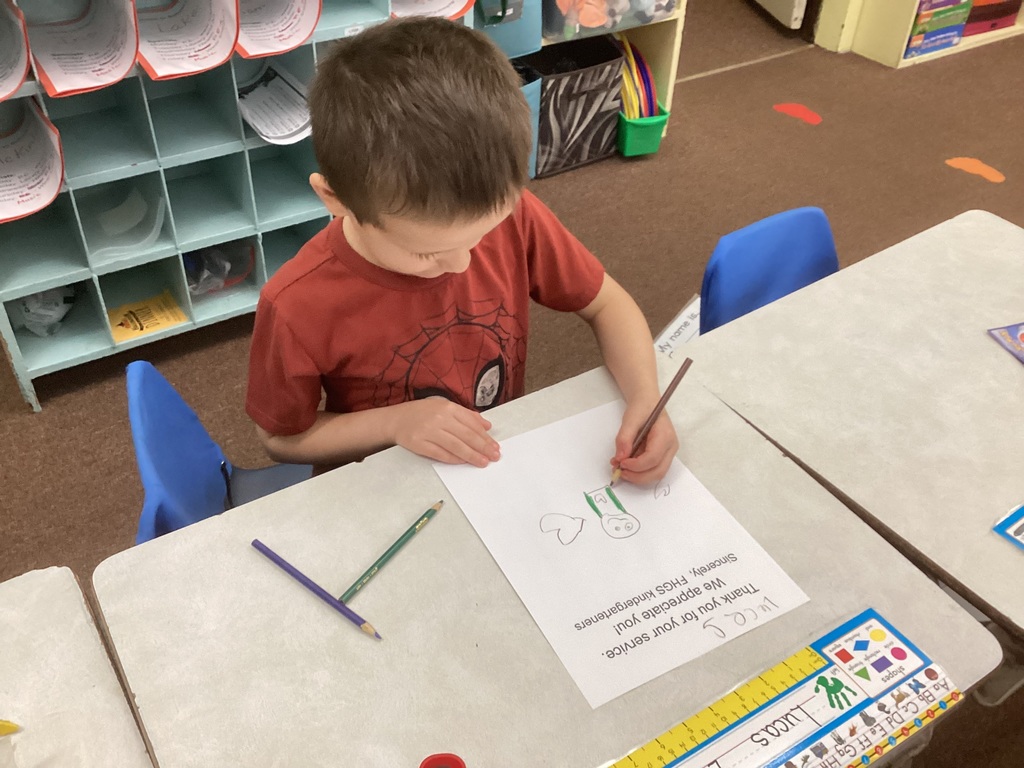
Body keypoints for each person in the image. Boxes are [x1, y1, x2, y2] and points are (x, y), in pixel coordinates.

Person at [245, 17, 677, 484]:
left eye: (479, 238)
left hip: (493, 468)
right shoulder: (294, 304)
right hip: (382, 486)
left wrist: (645, 398)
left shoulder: (512, 217)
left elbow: (607, 303)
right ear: (337, 201)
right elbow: (281, 439)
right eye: (428, 254)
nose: (463, 263)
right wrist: (394, 423)